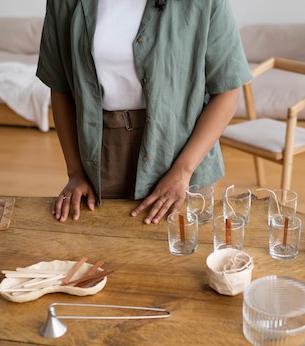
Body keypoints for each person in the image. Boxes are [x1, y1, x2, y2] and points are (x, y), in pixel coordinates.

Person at [37, 0, 252, 224]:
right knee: (105, 254)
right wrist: (76, 172)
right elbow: (60, 87)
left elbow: (227, 91)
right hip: (102, 159)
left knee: (183, 254)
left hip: (185, 156)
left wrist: (182, 172)